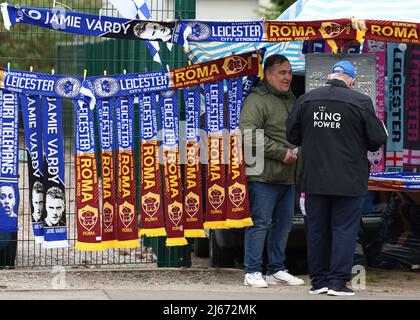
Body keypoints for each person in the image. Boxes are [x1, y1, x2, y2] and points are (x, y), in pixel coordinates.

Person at [286, 60, 388, 296]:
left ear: (330, 77)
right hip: (349, 180)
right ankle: (337, 284)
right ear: (351, 80)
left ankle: (319, 282)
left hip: (314, 179)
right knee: (344, 230)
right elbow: (376, 139)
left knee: (317, 230)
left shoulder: (307, 100)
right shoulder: (361, 101)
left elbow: (293, 135)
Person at [239, 54, 304, 288]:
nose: (288, 77)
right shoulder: (257, 100)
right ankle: (252, 271)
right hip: (263, 175)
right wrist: (280, 152)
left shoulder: (291, 98)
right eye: (282, 73)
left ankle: (276, 269)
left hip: (288, 176)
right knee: (260, 223)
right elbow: (248, 135)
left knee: (283, 223)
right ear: (268, 75)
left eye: (289, 72)